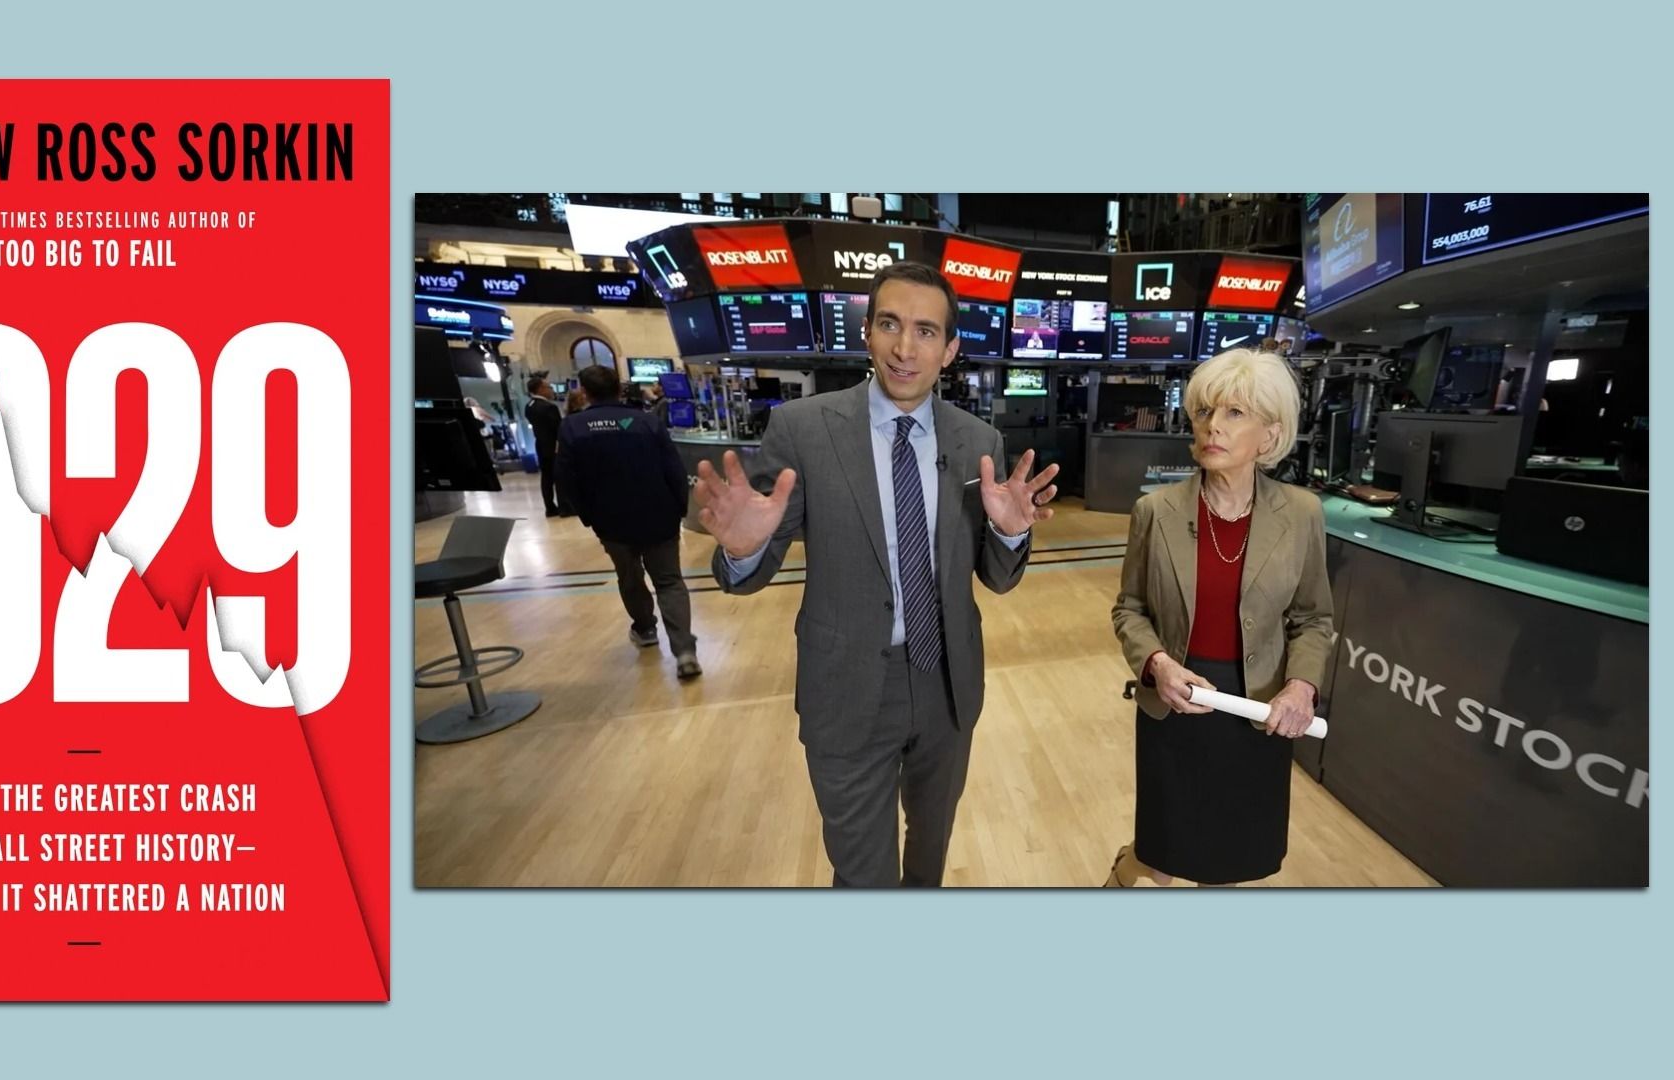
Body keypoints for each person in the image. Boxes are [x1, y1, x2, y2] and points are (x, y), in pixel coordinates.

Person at [694, 261, 1059, 887]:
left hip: (946, 685)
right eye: (889, 324)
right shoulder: (804, 430)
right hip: (846, 686)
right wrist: (745, 549)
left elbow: (997, 580)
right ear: (867, 332)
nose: (903, 347)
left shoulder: (978, 440)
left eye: (924, 331)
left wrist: (1009, 532)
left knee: (929, 856)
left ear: (949, 350)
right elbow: (745, 575)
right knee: (863, 874)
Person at [1107, 347, 1335, 887]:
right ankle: (1127, 873)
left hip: (1257, 704)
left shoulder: (1302, 514)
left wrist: (1301, 686)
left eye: (1235, 413)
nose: (1214, 426)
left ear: (1270, 435)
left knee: (1233, 855)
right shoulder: (1156, 511)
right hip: (1176, 698)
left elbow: (1313, 619)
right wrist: (1157, 664)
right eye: (1206, 411)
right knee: (1165, 847)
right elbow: (1130, 609)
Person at [556, 365, 701, 679]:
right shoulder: (647, 422)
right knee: (670, 581)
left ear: (585, 391)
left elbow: (567, 480)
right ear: (620, 389)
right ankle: (685, 651)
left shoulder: (573, 428)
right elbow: (674, 470)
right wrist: (679, 509)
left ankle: (646, 629)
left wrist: (588, 516)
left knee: (629, 577)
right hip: (658, 515)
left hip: (611, 521)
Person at [523, 376, 567, 517]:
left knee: (546, 477)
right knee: (559, 476)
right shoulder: (549, 407)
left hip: (540, 445)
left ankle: (549, 506)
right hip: (554, 446)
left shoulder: (529, 406)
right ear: (540, 389)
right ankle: (564, 506)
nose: (551, 390)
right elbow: (558, 428)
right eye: (549, 387)